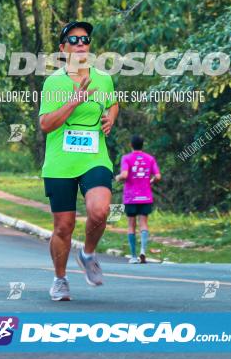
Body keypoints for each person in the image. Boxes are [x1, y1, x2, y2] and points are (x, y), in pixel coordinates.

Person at [39, 21, 118, 301]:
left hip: (94, 158)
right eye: (73, 40)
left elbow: (112, 102)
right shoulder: (53, 82)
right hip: (60, 163)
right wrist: (74, 101)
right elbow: (46, 124)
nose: (80, 43)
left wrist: (110, 118)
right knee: (63, 226)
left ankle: (87, 253)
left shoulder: (103, 79)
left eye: (84, 39)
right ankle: (60, 280)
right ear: (63, 49)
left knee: (99, 210)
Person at [116, 135, 161, 264]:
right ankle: (143, 251)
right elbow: (158, 176)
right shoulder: (150, 158)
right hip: (145, 196)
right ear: (143, 145)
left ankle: (134, 256)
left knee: (131, 225)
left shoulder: (126, 158)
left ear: (131, 145)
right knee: (144, 224)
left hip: (131, 197)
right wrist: (151, 181)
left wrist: (118, 177)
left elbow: (124, 175)